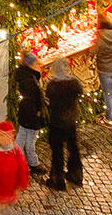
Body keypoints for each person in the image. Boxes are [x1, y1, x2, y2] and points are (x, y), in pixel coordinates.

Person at [44, 58, 83, 190]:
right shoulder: (74, 83)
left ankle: (58, 180)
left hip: (56, 122)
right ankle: (76, 175)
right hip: (71, 121)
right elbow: (80, 92)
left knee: (57, 151)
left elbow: (48, 97)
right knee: (73, 148)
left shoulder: (52, 85)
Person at [13, 49, 45, 171]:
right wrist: (39, 113)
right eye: (37, 64)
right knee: (30, 140)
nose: (39, 66)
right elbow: (36, 98)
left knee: (21, 137)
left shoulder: (25, 76)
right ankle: (33, 163)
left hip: (25, 112)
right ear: (31, 65)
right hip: (32, 114)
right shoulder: (31, 81)